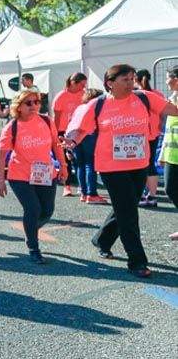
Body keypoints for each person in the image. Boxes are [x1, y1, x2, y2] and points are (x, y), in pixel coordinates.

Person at [64, 64, 178, 278]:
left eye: (132, 79)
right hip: (111, 167)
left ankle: (102, 239)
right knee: (128, 213)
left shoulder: (144, 98)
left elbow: (173, 111)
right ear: (110, 83)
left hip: (139, 165)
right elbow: (80, 130)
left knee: (125, 207)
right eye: (125, 80)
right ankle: (137, 261)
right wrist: (71, 142)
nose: (131, 83)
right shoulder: (97, 105)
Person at [0, 90, 67, 264]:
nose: (34, 106)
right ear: (18, 107)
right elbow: (1, 155)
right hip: (20, 175)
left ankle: (30, 231)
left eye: (37, 102)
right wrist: (0, 181)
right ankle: (34, 247)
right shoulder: (12, 127)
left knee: (47, 211)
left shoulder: (46, 120)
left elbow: (56, 145)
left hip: (45, 173)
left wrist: (63, 166)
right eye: (29, 103)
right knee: (33, 209)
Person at [50, 73, 88, 198]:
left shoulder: (83, 95)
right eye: (82, 85)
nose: (83, 88)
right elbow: (57, 118)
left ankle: (81, 187)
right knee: (65, 161)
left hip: (78, 130)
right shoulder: (61, 96)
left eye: (84, 85)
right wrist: (54, 134)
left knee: (79, 159)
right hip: (63, 131)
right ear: (73, 83)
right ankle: (67, 186)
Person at [134, 69, 166, 208]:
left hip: (138, 134)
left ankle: (140, 195)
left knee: (138, 164)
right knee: (150, 163)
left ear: (135, 79)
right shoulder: (157, 94)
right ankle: (152, 197)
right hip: (154, 133)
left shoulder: (134, 95)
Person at [74, 89, 107, 204]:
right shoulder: (94, 107)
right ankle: (91, 193)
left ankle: (84, 192)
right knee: (90, 164)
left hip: (75, 136)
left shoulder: (79, 108)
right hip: (89, 135)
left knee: (80, 165)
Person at [162, 68, 178, 239]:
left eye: (168, 78)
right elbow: (170, 130)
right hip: (172, 154)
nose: (166, 81)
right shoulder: (172, 99)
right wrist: (162, 154)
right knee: (171, 188)